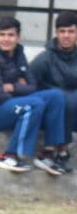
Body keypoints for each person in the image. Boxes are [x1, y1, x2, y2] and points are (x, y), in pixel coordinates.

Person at [0, 17, 68, 174]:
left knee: (55, 96)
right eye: (2, 35)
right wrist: (21, 92)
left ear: (18, 37)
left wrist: (12, 87)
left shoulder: (18, 54)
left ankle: (48, 154)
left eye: (11, 35)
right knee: (34, 104)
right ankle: (9, 156)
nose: (6, 39)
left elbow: (32, 86)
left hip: (8, 104)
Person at [28, 12, 77, 145]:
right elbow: (28, 87)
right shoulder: (44, 59)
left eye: (71, 31)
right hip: (51, 114)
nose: (66, 36)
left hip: (73, 114)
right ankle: (60, 150)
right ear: (56, 33)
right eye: (62, 31)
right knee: (69, 99)